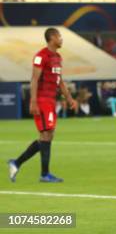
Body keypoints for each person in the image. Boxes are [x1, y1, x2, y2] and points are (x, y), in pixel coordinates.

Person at [8, 28, 77, 183]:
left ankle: (17, 163)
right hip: (42, 99)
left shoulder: (58, 57)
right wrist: (33, 101)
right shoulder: (41, 56)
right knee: (46, 135)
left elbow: (60, 80)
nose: (61, 39)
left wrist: (69, 98)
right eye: (59, 36)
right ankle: (44, 174)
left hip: (51, 100)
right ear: (52, 38)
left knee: (48, 135)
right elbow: (34, 79)